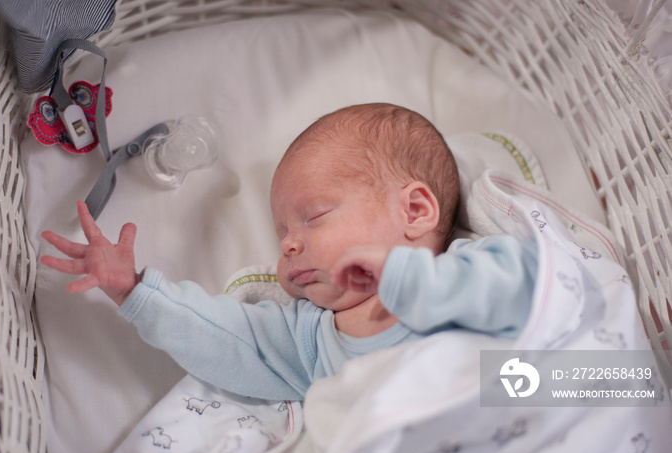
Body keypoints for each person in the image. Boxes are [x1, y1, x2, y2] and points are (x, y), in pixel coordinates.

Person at [41, 103, 537, 401]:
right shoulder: (309, 341)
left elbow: (528, 285)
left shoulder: (466, 269)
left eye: (315, 216)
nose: (288, 243)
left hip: (512, 395)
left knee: (600, 381)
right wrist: (134, 291)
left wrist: (406, 278)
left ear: (414, 211)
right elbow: (228, 339)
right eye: (282, 233)